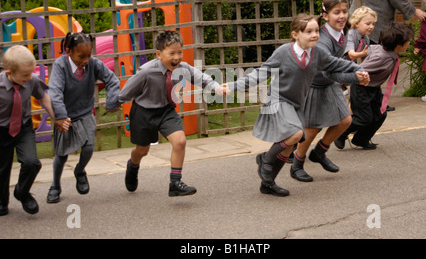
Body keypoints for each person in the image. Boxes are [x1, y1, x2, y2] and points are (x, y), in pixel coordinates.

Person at [224, 13, 369, 196]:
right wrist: (232, 86)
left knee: (287, 147)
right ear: (295, 34)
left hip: (297, 103)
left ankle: (268, 183)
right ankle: (266, 161)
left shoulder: (317, 53)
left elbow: (336, 64)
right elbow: (260, 73)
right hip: (278, 100)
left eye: (316, 30)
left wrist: (359, 70)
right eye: (308, 31)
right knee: (296, 134)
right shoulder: (284, 52)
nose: (314, 35)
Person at [118, 30, 227, 197]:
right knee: (142, 150)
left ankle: (175, 182)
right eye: (172, 53)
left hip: (166, 110)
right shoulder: (146, 71)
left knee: (180, 141)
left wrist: (216, 87)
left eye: (180, 52)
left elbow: (200, 78)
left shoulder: (183, 68)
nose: (177, 57)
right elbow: (127, 91)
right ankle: (132, 166)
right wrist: (114, 103)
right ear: (159, 54)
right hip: (143, 112)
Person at [290, 0, 365, 183]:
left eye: (344, 12)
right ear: (325, 15)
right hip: (314, 84)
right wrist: (354, 77)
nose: (341, 16)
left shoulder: (342, 32)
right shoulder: (322, 40)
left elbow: (337, 66)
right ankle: (297, 165)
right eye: (336, 12)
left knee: (345, 121)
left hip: (328, 82)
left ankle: (319, 153)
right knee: (312, 128)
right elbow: (328, 73)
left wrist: (354, 74)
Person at [46, 32, 121, 203]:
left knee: (88, 147)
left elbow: (112, 80)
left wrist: (111, 102)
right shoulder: (60, 66)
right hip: (65, 115)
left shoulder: (93, 64)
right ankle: (55, 185)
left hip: (85, 113)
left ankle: (80, 171)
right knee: (61, 154)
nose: (86, 60)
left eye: (89, 55)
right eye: (81, 56)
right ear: (68, 51)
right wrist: (61, 116)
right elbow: (55, 92)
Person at [0, 45, 62, 215]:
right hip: (1, 130)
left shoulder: (32, 80)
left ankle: (22, 192)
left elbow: (43, 97)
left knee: (32, 162)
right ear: (9, 73)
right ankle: (2, 202)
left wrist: (55, 118)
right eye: (24, 75)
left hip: (23, 127)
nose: (29, 77)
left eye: (30, 73)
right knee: (2, 168)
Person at [334, 22, 414, 150]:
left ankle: (361, 139)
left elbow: (371, 49)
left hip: (373, 88)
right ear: (399, 45)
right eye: (408, 41)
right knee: (364, 118)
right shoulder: (383, 57)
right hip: (361, 88)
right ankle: (340, 133)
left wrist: (364, 52)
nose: (410, 42)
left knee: (381, 114)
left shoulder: (383, 50)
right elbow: (359, 68)